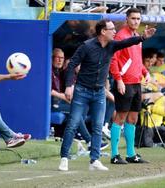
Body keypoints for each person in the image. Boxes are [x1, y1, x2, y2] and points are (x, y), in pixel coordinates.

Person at [58, 19, 156, 171]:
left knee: (98, 127)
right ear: (103, 31)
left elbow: (128, 42)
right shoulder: (87, 46)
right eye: (111, 29)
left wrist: (142, 37)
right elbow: (71, 65)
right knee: (73, 124)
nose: (115, 32)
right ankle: (64, 158)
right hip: (81, 91)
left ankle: (94, 160)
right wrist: (69, 86)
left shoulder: (112, 45)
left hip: (98, 92)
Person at [109, 8, 156, 165]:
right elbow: (113, 60)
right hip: (125, 83)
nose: (136, 21)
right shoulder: (120, 36)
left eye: (138, 18)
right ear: (126, 19)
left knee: (133, 117)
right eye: (133, 18)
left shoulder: (137, 36)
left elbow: (136, 60)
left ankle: (131, 154)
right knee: (120, 117)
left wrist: (145, 72)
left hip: (136, 83)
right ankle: (114, 155)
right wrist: (119, 80)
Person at [51, 48, 108, 149]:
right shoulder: (49, 71)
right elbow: (48, 90)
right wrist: (63, 97)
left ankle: (90, 136)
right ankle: (89, 140)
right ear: (52, 58)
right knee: (75, 111)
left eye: (62, 58)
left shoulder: (58, 72)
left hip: (61, 103)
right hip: (51, 105)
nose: (60, 60)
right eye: (57, 58)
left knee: (78, 111)